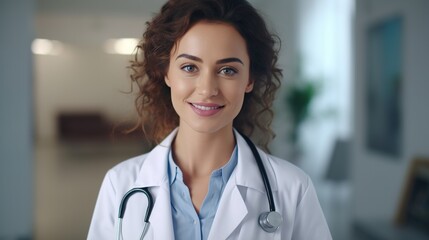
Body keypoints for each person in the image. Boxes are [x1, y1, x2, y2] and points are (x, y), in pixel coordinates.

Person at [88, 0, 332, 239]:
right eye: (189, 67)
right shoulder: (120, 184)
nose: (207, 89)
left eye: (228, 70)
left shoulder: (292, 189)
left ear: (249, 80)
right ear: (166, 73)